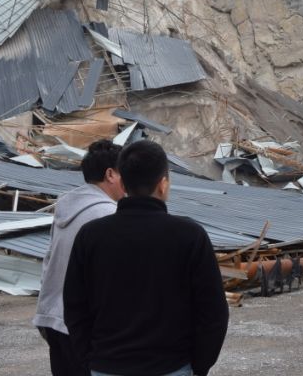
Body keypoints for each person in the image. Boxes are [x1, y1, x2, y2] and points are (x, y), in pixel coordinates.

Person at [64, 140, 229, 376]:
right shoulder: (189, 236)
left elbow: (74, 307)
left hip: (107, 367)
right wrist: (199, 365)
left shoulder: (91, 236)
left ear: (122, 182)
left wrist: (90, 358)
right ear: (162, 184)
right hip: (173, 367)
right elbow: (213, 313)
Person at [34, 140, 126, 376]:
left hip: (53, 318)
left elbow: (48, 261)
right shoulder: (107, 215)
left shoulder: (67, 206)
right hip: (81, 326)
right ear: (110, 174)